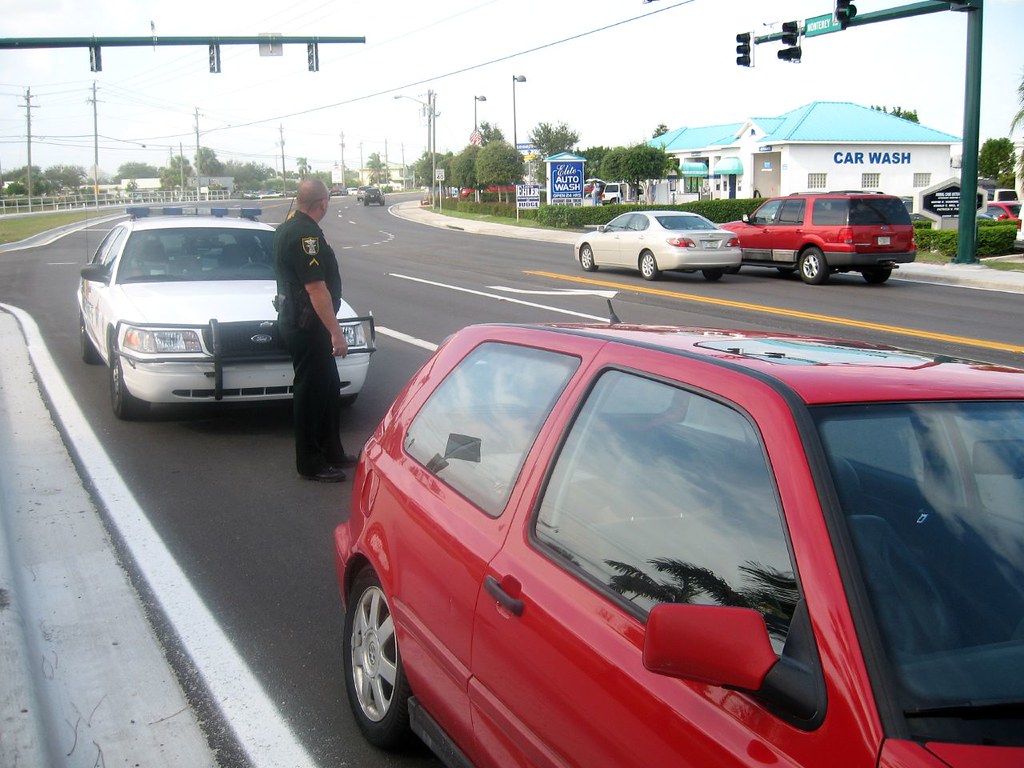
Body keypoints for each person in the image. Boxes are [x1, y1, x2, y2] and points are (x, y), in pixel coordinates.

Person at [273, 178, 356, 482]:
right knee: (310, 393)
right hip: (308, 324)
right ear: (322, 203)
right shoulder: (305, 234)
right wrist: (336, 332)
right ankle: (309, 461)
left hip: (304, 321)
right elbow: (316, 288)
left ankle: (331, 449)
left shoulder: (287, 226)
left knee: (329, 386)